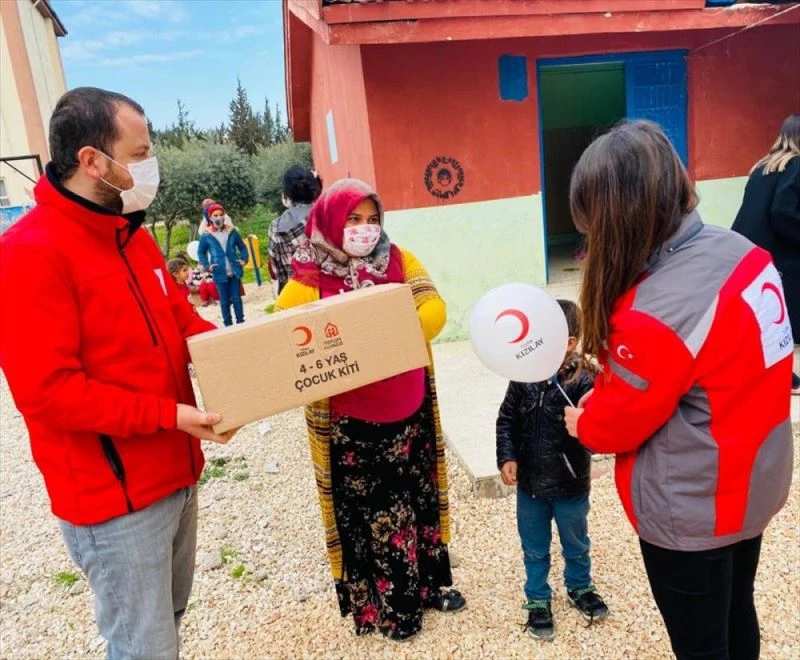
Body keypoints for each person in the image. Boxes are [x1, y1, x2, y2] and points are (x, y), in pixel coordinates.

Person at [0, 87, 237, 658]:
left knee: (168, 625)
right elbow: (48, 393)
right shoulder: (27, 254)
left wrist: (258, 358)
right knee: (142, 646)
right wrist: (171, 416)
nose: (149, 166)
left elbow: (183, 324)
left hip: (176, 475)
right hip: (115, 503)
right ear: (91, 161)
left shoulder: (132, 237)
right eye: (140, 153)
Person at [563, 120, 794, 660]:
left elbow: (619, 423)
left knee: (699, 641)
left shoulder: (655, 312)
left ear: (617, 216)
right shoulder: (742, 252)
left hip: (695, 505)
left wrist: (584, 422)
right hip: (756, 477)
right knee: (738, 608)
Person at [274, 178, 465, 641]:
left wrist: (388, 334)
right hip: (354, 426)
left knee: (418, 502)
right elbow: (281, 343)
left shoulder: (398, 259)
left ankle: (429, 586)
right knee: (378, 515)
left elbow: (433, 306)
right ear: (329, 223)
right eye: (353, 220)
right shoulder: (306, 279)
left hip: (411, 412)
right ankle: (392, 608)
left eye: (372, 219)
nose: (364, 230)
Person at [496, 299, 608, 642]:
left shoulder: (585, 378)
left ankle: (579, 585)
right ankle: (538, 597)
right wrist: (507, 457)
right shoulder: (523, 376)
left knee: (575, 542)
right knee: (534, 546)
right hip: (529, 486)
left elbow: (599, 429)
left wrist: (591, 425)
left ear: (570, 342)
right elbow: (507, 419)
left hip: (570, 484)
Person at [732, 114, 800, 394]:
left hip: (745, 254)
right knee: (786, 320)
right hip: (778, 259)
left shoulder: (763, 167)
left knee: (762, 319)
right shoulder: (796, 165)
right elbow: (783, 212)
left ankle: (776, 373)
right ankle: (787, 376)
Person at [267, 165, 322, 294]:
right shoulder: (328, 214)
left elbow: (277, 270)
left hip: (297, 295)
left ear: (287, 194)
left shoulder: (276, 226)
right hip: (332, 292)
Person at [197, 202, 248, 326]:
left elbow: (242, 247)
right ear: (210, 217)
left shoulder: (232, 231)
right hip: (219, 272)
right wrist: (207, 266)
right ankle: (228, 325)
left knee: (236, 299)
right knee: (224, 301)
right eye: (215, 215)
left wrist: (244, 259)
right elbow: (200, 252)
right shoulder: (206, 235)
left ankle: (241, 322)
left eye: (221, 214)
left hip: (234, 270)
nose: (219, 217)